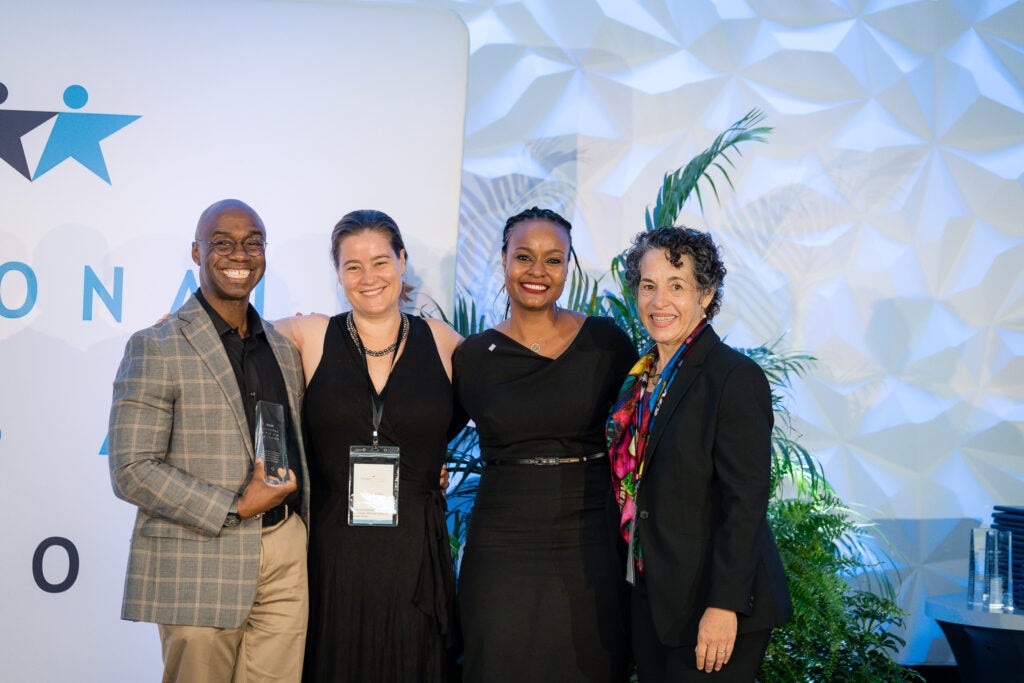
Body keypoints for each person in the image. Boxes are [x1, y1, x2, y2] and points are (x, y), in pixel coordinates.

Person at [108, 199, 309, 682]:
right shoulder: (156, 345)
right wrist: (236, 506)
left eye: (252, 242)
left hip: (285, 552)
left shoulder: (283, 348)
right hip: (200, 557)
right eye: (222, 242)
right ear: (197, 253)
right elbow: (132, 469)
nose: (239, 254)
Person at [272, 209, 463, 682]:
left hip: (416, 552)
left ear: (402, 261)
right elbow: (230, 342)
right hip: (333, 552)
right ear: (337, 274)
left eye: (380, 261)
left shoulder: (444, 343)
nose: (368, 277)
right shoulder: (310, 334)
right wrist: (178, 325)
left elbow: (510, 394)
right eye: (352, 266)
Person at [454, 207, 638, 682]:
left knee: (590, 662)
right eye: (524, 257)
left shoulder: (607, 342)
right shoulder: (472, 357)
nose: (537, 272)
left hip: (590, 535)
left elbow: (640, 433)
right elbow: (428, 427)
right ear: (503, 260)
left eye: (553, 260)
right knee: (496, 661)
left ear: (568, 267)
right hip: (502, 541)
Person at [606, 225, 792, 682]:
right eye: (648, 286)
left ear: (706, 294)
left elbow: (744, 503)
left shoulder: (732, 377)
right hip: (652, 596)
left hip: (713, 605)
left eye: (676, 286)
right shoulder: (640, 379)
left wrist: (724, 605)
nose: (659, 301)